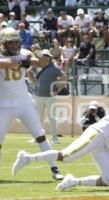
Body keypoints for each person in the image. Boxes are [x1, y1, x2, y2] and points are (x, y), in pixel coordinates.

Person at [12, 87, 109, 191]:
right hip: (98, 133)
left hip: (104, 145)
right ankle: (27, 158)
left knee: (108, 181)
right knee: (66, 156)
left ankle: (73, 181)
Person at [0, 27, 63, 180]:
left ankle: (55, 169)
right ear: (3, 44)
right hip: (3, 105)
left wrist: (38, 52)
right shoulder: (14, 57)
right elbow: (7, 63)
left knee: (40, 135)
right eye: (11, 43)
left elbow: (42, 63)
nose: (15, 45)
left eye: (16, 42)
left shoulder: (24, 53)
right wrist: (22, 61)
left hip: (24, 103)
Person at [27, 49, 68, 145]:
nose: (44, 57)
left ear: (50, 58)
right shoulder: (38, 66)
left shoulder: (54, 67)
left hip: (50, 97)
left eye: (46, 55)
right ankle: (38, 138)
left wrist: (57, 90)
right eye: (43, 55)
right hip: (39, 96)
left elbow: (64, 78)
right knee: (38, 119)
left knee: (52, 118)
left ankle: (54, 139)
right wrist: (34, 81)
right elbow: (29, 72)